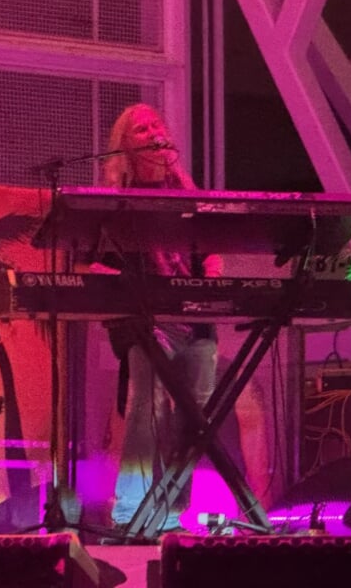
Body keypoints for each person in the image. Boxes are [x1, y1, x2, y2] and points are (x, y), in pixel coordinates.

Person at [97, 103, 222, 533]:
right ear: (124, 146)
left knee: (194, 414)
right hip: (147, 320)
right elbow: (93, 262)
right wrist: (121, 286)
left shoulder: (188, 194)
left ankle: (171, 512)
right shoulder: (117, 200)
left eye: (157, 125)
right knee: (145, 407)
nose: (153, 132)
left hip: (196, 322)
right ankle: (129, 510)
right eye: (141, 129)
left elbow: (212, 252)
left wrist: (212, 284)